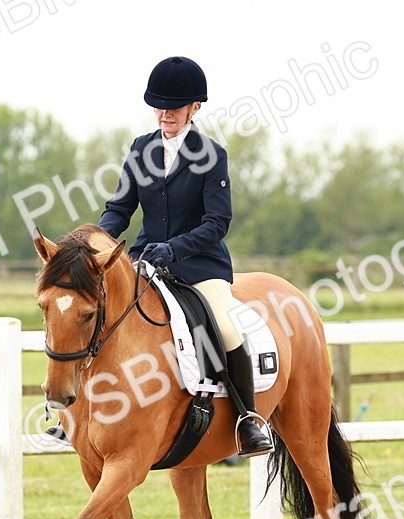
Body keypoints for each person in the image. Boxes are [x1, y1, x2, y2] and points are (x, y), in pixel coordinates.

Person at [94, 55, 273, 458]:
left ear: (194, 107)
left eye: (173, 107)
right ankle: (81, 411)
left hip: (199, 265)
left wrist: (175, 248)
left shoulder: (212, 155)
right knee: (101, 318)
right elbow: (119, 209)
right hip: (145, 258)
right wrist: (97, 246)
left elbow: (217, 222)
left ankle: (248, 419)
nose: (164, 114)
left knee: (227, 329)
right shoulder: (141, 149)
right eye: (158, 106)